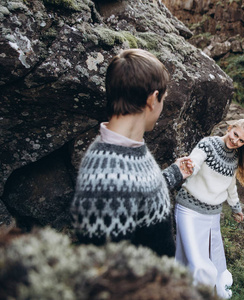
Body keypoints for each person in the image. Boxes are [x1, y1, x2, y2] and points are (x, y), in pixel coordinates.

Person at [70, 49, 193, 257]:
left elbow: (135, 193)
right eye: (163, 98)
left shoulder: (126, 149)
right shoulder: (107, 179)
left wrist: (174, 173)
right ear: (153, 100)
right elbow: (107, 270)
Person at [174, 119, 244, 299]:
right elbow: (196, 159)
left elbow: (230, 187)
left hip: (212, 215)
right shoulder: (208, 144)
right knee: (198, 262)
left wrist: (237, 209)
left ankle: (185, 289)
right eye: (235, 134)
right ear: (230, 128)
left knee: (209, 255)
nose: (235, 141)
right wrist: (191, 165)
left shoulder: (235, 157)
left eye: (241, 141)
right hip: (189, 209)